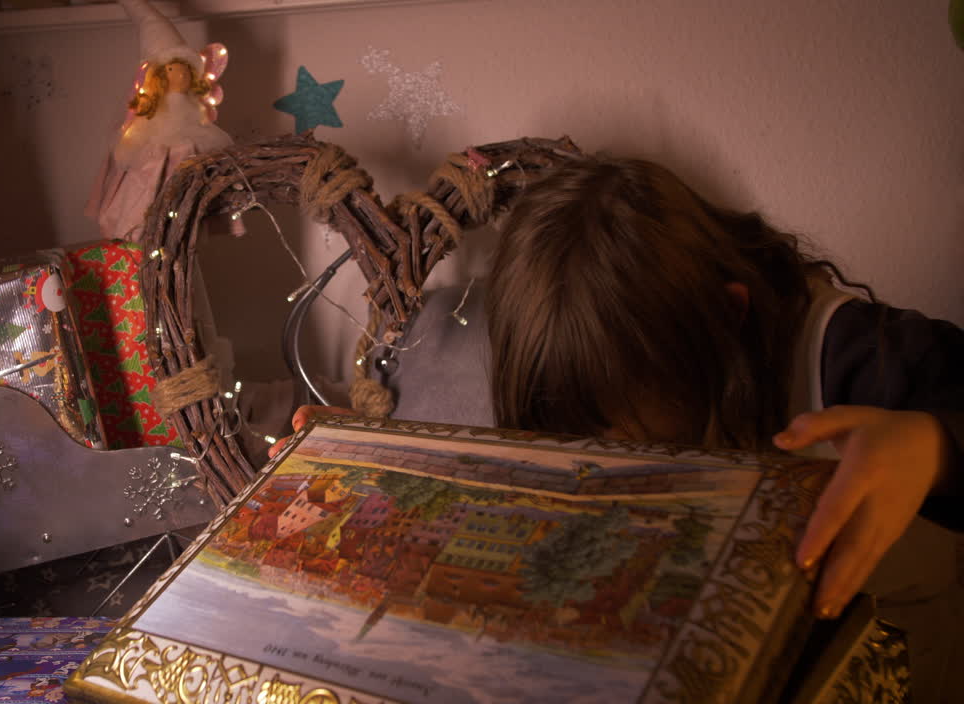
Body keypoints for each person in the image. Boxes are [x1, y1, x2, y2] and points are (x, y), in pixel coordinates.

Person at [275, 154, 961, 695]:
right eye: (570, 429)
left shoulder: (849, 351)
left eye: (622, 425)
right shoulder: (499, 343)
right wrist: (370, 467)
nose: (600, 454)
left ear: (724, 320)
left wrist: (934, 445)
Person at [85, 0, 232, 241]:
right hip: (153, 176)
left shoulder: (194, 115)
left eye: (186, 69)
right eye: (174, 69)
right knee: (141, 204)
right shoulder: (148, 121)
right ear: (160, 76)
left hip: (183, 177)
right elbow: (127, 156)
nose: (182, 75)